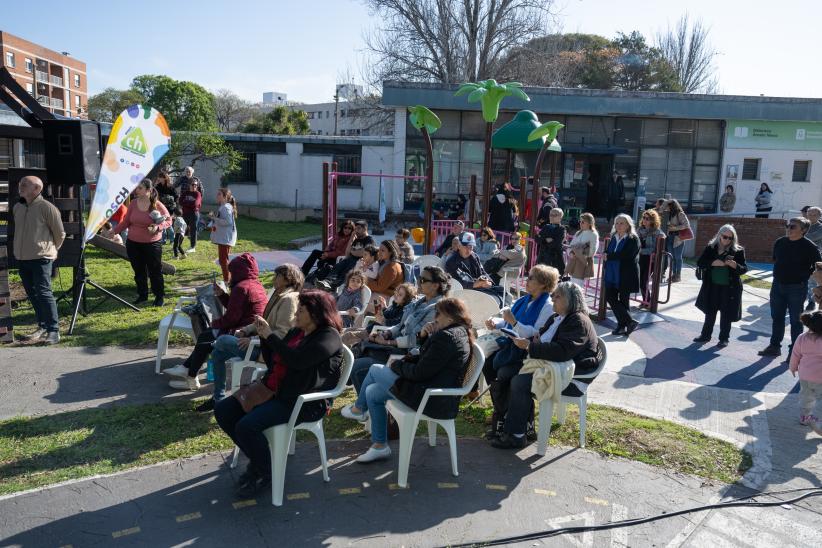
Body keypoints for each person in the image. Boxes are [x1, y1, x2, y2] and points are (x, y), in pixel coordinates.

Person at [214, 290, 343, 497]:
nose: (296, 314)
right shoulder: (297, 332)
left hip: (303, 401)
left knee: (246, 426)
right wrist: (265, 338)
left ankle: (266, 472)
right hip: (277, 391)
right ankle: (259, 461)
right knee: (224, 410)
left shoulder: (329, 337)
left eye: (301, 310)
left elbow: (298, 361)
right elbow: (275, 359)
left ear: (316, 313)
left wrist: (270, 336)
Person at [341, 298, 473, 463]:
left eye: (438, 314)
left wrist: (396, 365)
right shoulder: (455, 332)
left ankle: (359, 409)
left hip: (430, 397)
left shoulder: (446, 337)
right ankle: (380, 446)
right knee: (372, 392)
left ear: (451, 318)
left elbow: (419, 372)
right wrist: (424, 336)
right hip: (430, 390)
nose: (435, 317)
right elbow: (428, 362)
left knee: (375, 369)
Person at [492, 282, 600, 449]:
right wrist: (532, 340)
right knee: (505, 371)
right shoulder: (557, 317)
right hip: (552, 367)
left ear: (571, 300)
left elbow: (563, 351)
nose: (553, 299)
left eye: (558, 296)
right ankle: (510, 423)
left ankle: (516, 435)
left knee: (520, 382)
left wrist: (529, 346)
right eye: (553, 295)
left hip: (571, 376)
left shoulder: (578, 321)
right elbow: (543, 337)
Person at [195, 264, 303, 413]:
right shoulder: (279, 294)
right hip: (260, 344)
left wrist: (253, 341)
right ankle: (218, 398)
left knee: (222, 341)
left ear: (287, 278)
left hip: (267, 352)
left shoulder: (289, 299)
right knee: (217, 354)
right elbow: (262, 321)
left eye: (277, 276)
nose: (273, 279)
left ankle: (217, 392)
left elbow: (282, 335)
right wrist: (245, 331)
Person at [166, 252, 268, 390]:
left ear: (238, 271)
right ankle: (188, 372)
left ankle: (190, 375)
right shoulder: (255, 284)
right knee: (207, 336)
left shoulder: (241, 288)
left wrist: (214, 324)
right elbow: (237, 308)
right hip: (249, 330)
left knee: (206, 337)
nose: (230, 275)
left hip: (244, 334)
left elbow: (232, 318)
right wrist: (222, 295)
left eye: (231, 272)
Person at [483, 265, 559, 440]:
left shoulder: (547, 306)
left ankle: (510, 418)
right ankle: (505, 414)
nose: (527, 280)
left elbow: (534, 333)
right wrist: (495, 323)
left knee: (503, 373)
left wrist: (514, 323)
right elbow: (507, 322)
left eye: (532, 278)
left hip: (526, 354)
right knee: (488, 365)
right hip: (511, 348)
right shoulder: (524, 300)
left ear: (543, 284)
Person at [348, 266, 448, 390]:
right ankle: (364, 403)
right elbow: (400, 325)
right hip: (396, 347)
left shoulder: (437, 309)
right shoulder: (420, 302)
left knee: (358, 363)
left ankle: (363, 403)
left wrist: (389, 341)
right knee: (361, 349)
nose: (418, 281)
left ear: (435, 285)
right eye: (419, 278)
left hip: (408, 355)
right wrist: (386, 334)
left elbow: (417, 340)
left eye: (423, 279)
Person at [759, 217, 822, 358]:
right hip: (777, 285)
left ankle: (794, 352)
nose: (788, 228)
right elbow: (776, 259)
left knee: (795, 320)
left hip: (797, 287)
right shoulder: (780, 242)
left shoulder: (810, 247)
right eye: (788, 225)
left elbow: (818, 267)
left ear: (804, 230)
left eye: (793, 226)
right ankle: (774, 346)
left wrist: (806, 276)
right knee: (777, 317)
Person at [12, 175, 65, 345]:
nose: (21, 186)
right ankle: (42, 326)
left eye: (25, 184)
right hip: (23, 258)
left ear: (37, 189)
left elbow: (60, 233)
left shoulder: (47, 208)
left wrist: (53, 250)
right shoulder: (17, 208)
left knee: (44, 293)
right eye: (20, 184)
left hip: (42, 257)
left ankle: (54, 331)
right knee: (32, 294)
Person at [113, 178, 171, 306]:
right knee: (139, 271)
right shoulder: (133, 203)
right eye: (136, 188)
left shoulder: (157, 205)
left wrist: (158, 227)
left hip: (152, 244)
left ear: (148, 190)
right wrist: (114, 231)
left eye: (139, 188)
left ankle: (159, 296)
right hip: (133, 243)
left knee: (154, 271)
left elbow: (168, 220)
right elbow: (126, 221)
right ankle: (143, 295)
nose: (136, 190)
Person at [693, 225, 748, 347]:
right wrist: (713, 262)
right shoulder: (711, 248)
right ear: (719, 235)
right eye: (725, 237)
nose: (727, 240)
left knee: (726, 314)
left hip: (730, 288)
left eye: (730, 238)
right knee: (710, 312)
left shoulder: (738, 250)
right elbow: (700, 262)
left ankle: (724, 338)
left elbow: (744, 269)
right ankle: (705, 335)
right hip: (712, 286)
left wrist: (735, 266)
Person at [603, 214, 640, 336]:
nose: (618, 225)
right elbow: (609, 252)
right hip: (611, 273)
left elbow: (627, 255)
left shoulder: (633, 239)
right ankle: (629, 322)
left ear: (628, 225)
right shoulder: (614, 236)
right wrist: (605, 254)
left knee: (624, 302)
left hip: (625, 274)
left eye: (621, 223)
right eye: (617, 223)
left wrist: (609, 256)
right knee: (610, 297)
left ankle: (621, 326)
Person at [444, 231, 504, 305]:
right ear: (459, 246)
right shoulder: (451, 262)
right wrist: (475, 284)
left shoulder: (474, 256)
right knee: (493, 302)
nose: (469, 249)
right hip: (464, 295)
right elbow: (456, 284)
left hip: (479, 289)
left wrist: (489, 282)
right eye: (466, 246)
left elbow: (482, 272)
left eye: (471, 246)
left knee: (504, 294)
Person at [789, 311, 822, 434]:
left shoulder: (802, 337)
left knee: (806, 396)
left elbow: (795, 354)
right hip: (820, 377)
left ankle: (805, 418)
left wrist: (793, 368)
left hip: (805, 375)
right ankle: (819, 422)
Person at [316, 220, 374, 289]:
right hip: (349, 259)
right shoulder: (357, 239)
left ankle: (333, 286)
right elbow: (347, 253)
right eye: (355, 229)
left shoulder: (369, 240)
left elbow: (362, 253)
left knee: (345, 272)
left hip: (359, 262)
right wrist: (352, 238)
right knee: (337, 267)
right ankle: (327, 282)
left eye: (358, 228)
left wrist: (352, 251)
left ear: (365, 229)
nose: (356, 231)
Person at [210, 188, 238, 283]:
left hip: (225, 238)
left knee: (223, 260)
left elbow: (228, 222)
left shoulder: (226, 207)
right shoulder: (224, 206)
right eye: (217, 194)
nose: (217, 196)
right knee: (223, 260)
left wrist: (214, 218)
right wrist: (214, 219)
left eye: (219, 194)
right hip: (224, 237)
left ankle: (227, 281)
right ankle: (229, 279)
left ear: (225, 197)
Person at [637, 210, 665, 305]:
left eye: (647, 219)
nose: (644, 220)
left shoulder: (657, 232)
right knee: (640, 281)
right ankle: (646, 300)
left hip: (651, 260)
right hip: (641, 259)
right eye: (643, 218)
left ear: (653, 220)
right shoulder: (640, 230)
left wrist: (640, 251)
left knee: (645, 280)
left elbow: (654, 249)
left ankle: (648, 301)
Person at [566, 212, 599, 289]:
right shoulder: (578, 233)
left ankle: (577, 300)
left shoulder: (593, 234)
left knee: (578, 285)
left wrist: (580, 253)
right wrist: (570, 252)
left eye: (583, 222)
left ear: (589, 223)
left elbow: (592, 251)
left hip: (583, 262)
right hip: (574, 260)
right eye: (580, 222)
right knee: (572, 283)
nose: (580, 223)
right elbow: (571, 245)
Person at [665, 199, 690, 283]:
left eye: (668, 206)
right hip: (669, 237)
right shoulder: (668, 214)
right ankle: (673, 274)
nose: (666, 207)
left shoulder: (680, 214)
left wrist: (674, 228)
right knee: (672, 258)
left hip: (678, 238)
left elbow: (686, 225)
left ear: (672, 206)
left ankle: (677, 275)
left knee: (677, 257)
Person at [537, 208, 566, 275]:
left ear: (560, 217)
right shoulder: (546, 226)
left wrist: (543, 241)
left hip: (554, 261)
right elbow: (537, 238)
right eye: (551, 215)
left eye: (554, 215)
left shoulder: (562, 229)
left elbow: (556, 244)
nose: (552, 217)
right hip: (542, 259)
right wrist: (545, 240)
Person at [804, 207, 822, 311]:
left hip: (815, 258)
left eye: (814, 215)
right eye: (809, 214)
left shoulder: (820, 227)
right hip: (801, 257)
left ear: (819, 216)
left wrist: (799, 234)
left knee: (812, 281)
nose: (811, 217)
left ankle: (811, 302)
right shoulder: (804, 225)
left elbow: (812, 237)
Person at [178, 178, 202, 253]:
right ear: (189, 185)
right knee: (182, 229)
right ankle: (178, 246)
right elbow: (180, 201)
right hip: (185, 214)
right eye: (193, 184)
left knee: (193, 230)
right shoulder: (185, 193)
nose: (194, 186)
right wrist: (189, 204)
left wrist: (186, 203)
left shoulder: (197, 194)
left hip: (194, 214)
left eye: (196, 185)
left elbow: (196, 204)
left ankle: (192, 247)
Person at [155, 172, 178, 244]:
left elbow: (176, 196)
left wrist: (170, 201)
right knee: (161, 222)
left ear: (164, 178)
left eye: (160, 177)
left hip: (169, 208)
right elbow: (154, 194)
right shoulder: (158, 186)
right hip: (160, 207)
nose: (158, 178)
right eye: (158, 177)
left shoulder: (170, 186)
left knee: (168, 224)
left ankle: (172, 238)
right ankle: (163, 239)